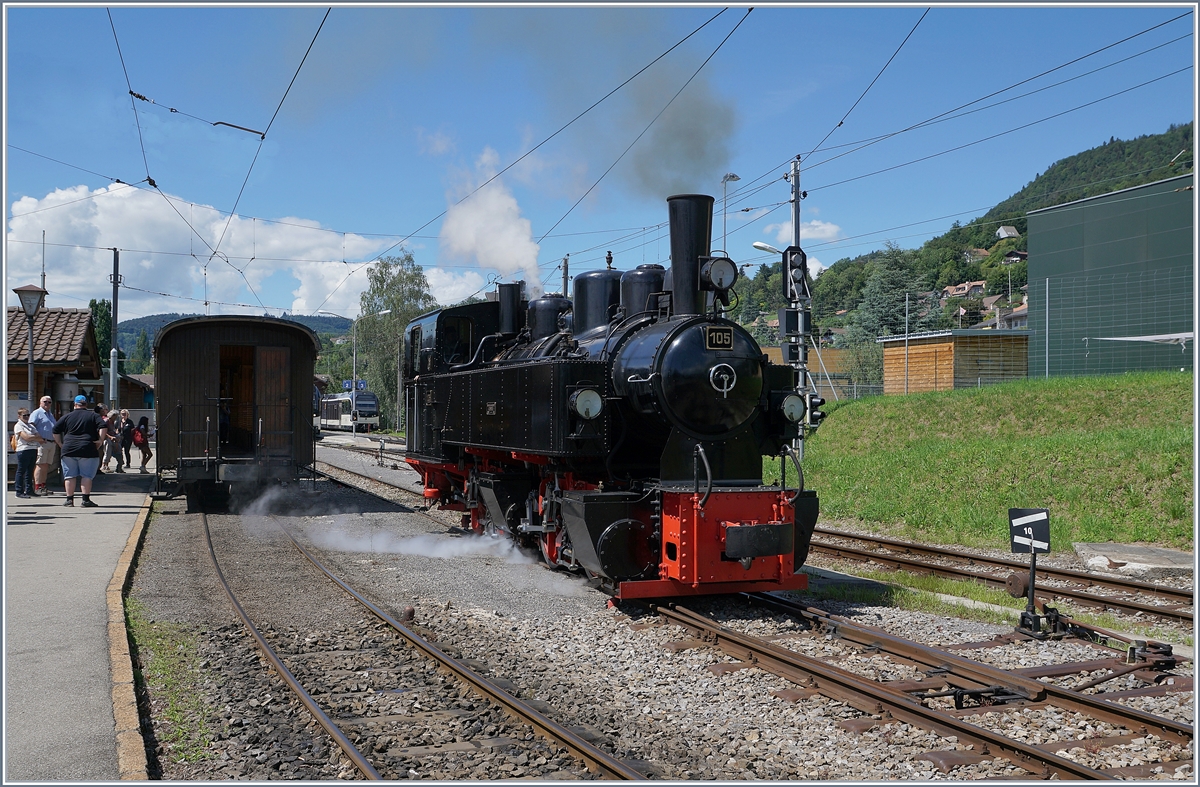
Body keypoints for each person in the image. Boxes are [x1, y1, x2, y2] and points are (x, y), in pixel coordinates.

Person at [52, 394, 110, 507]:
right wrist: (100, 440)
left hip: (69, 448)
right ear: (86, 404)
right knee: (86, 475)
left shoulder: (67, 416)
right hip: (87, 447)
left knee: (69, 475)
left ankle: (69, 500)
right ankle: (85, 500)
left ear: (75, 405)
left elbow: (55, 430)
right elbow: (103, 426)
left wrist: (60, 443)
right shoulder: (93, 416)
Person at [29, 395, 58, 496]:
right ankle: (37, 487)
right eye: (45, 402)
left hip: (51, 442)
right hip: (42, 443)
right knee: (40, 465)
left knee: (46, 465)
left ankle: (43, 486)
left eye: (49, 402)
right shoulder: (37, 413)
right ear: (40, 402)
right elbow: (31, 426)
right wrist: (38, 438)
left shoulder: (50, 414)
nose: (47, 404)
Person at [12, 407, 42, 498]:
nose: (26, 417)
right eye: (24, 415)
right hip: (23, 450)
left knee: (30, 471)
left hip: (33, 448)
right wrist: (34, 437)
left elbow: (39, 437)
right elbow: (26, 437)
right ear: (19, 416)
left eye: (28, 415)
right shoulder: (19, 425)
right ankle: (19, 491)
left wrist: (32, 436)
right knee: (21, 471)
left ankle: (29, 490)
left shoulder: (30, 426)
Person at [102, 409, 125, 473]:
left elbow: (113, 430)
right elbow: (103, 432)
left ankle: (119, 466)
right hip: (107, 439)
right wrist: (111, 437)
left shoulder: (112, 422)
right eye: (115, 416)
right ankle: (105, 465)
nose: (116, 418)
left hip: (113, 438)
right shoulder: (106, 421)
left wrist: (116, 436)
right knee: (107, 452)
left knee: (119, 450)